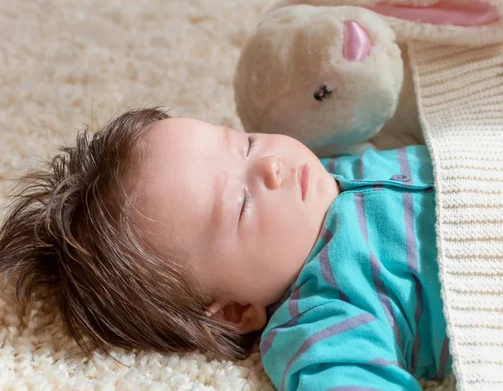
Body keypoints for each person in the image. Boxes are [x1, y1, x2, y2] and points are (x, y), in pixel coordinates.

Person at [0, 107, 449, 390]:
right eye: (241, 205)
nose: (272, 166)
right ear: (235, 311)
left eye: (246, 144)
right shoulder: (325, 318)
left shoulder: (330, 164)